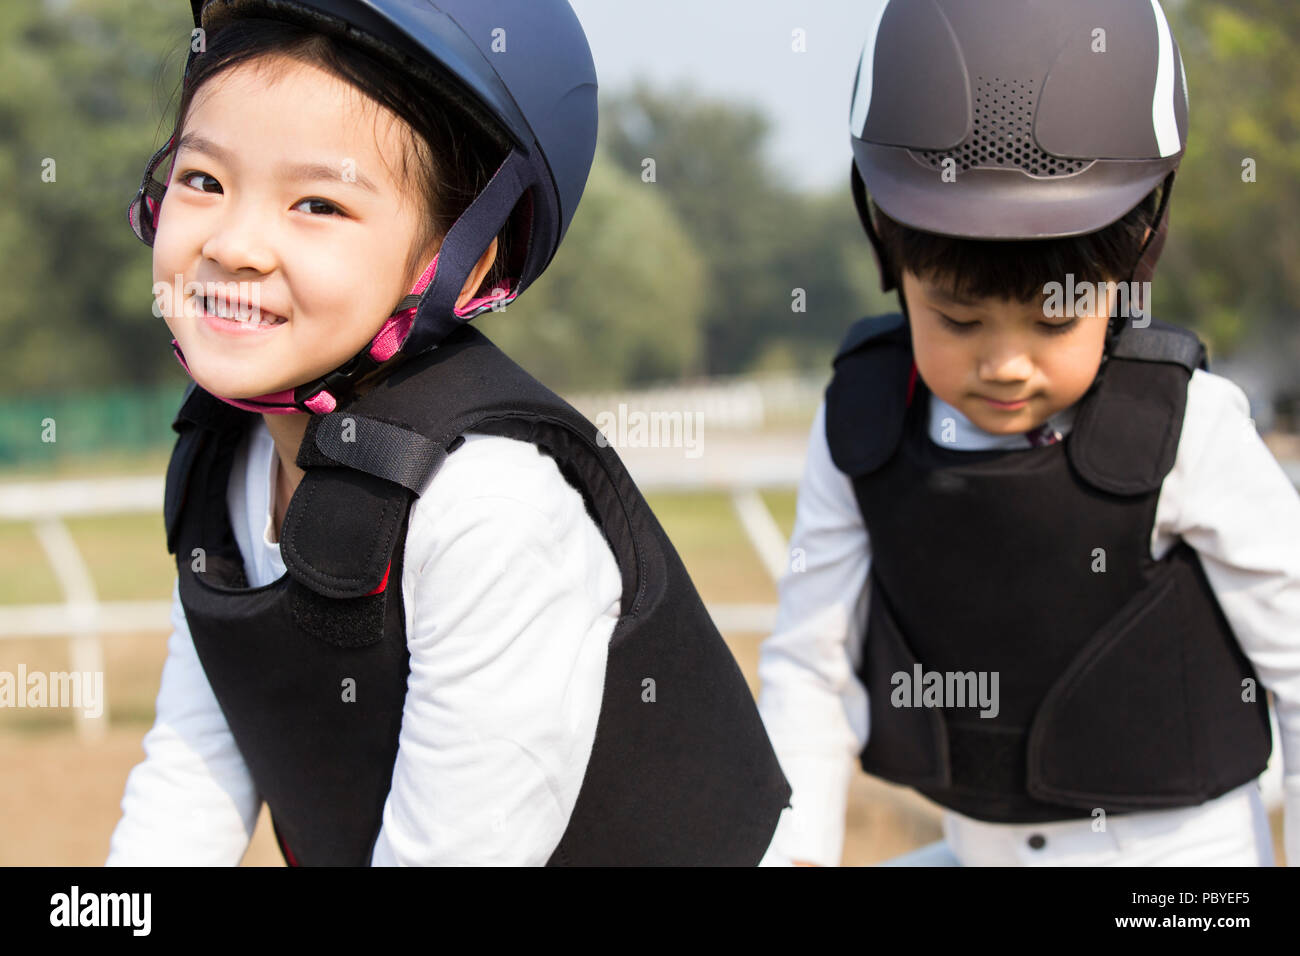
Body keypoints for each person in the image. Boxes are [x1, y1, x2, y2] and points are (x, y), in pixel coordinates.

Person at [106, 0, 790, 866]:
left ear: (467, 256)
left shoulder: (488, 505)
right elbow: (191, 774)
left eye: (316, 203)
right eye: (204, 180)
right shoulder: (223, 459)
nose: (235, 244)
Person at [757, 0, 1300, 867]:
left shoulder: (1186, 429)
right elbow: (808, 667)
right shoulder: (862, 423)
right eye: (958, 320)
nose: (1005, 366)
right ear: (887, 254)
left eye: (1053, 324)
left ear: (1137, 256)